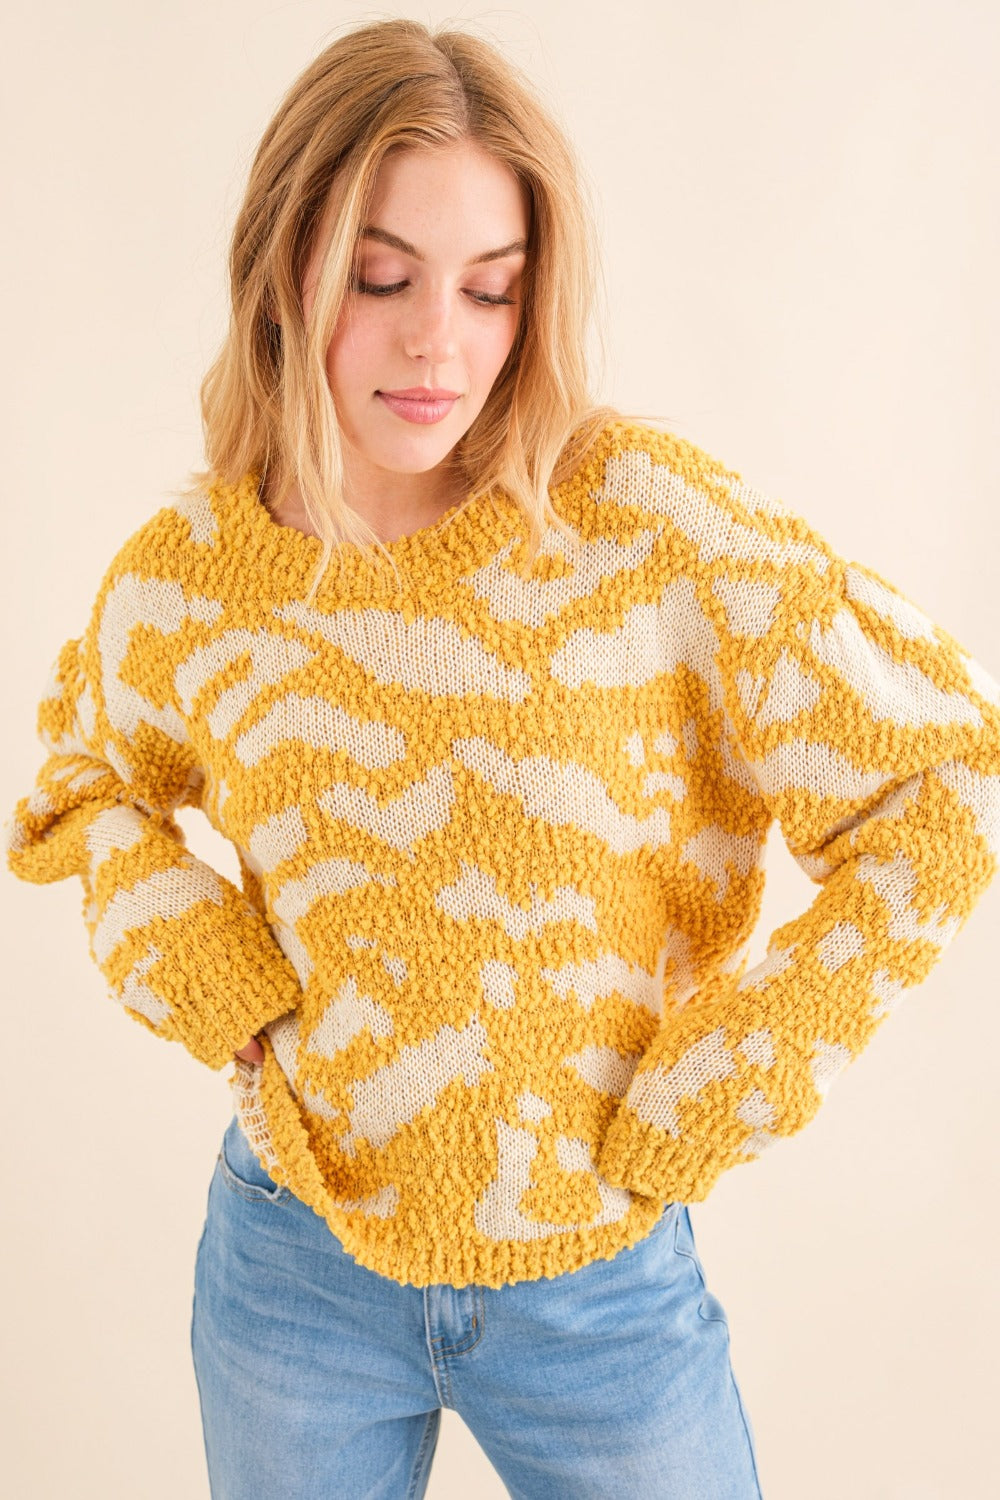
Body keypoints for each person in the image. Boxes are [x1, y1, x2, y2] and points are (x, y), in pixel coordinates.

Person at [5, 16, 999, 1500]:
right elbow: (77, 787)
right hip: (294, 1260)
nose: (437, 343)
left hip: (600, 1290)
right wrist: (214, 973)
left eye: (492, 291)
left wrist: (736, 1072)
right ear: (284, 270)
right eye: (382, 275)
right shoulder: (189, 580)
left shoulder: (643, 523)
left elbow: (945, 774)